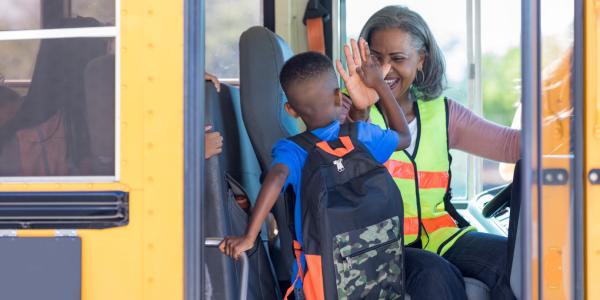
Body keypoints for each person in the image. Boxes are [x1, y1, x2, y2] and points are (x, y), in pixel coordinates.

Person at [344, 5, 520, 300]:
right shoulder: (348, 109)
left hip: (441, 237)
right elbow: (345, 155)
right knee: (434, 273)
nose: (384, 70)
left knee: (519, 263)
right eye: (376, 58)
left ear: (421, 60)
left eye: (398, 59)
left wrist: (568, 120)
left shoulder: (443, 113)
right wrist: (360, 108)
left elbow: (511, 145)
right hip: (376, 246)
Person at [218, 47, 412, 270]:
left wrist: (249, 237)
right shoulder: (362, 135)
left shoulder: (292, 150)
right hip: (377, 266)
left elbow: (277, 176)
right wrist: (380, 84)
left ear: (290, 110)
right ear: (339, 96)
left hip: (319, 272)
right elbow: (404, 136)